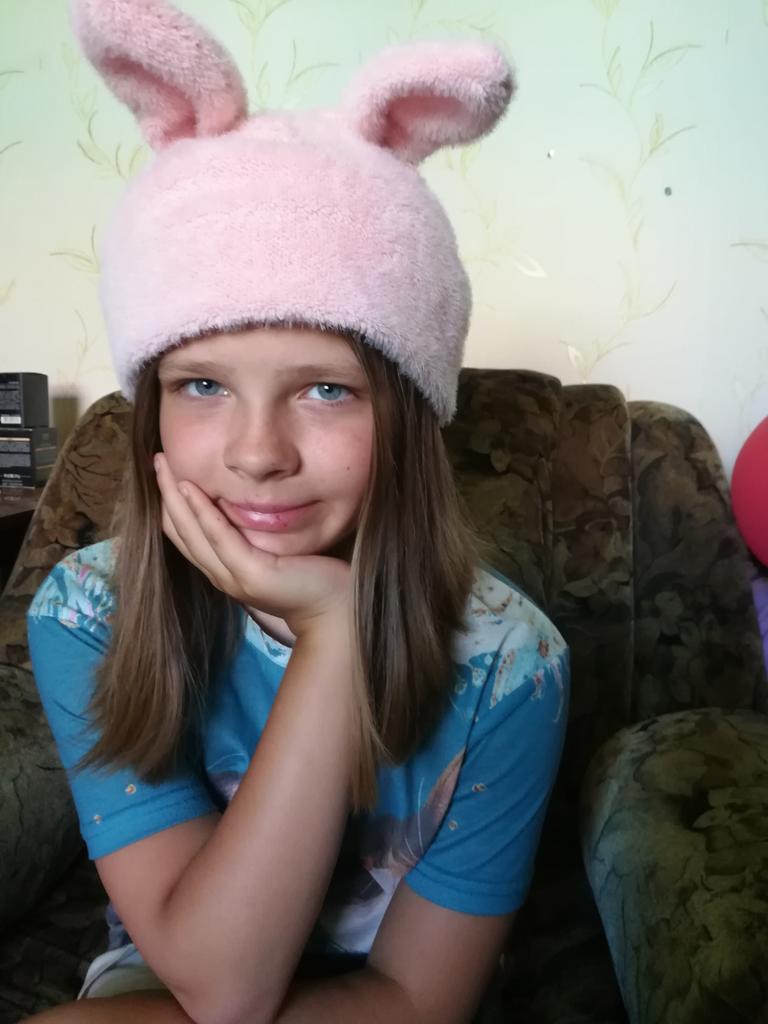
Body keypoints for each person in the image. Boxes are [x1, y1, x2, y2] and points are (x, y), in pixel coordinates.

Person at [26, 1, 570, 1022]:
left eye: (326, 389)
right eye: (201, 384)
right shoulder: (87, 613)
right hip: (174, 979)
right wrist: (328, 635)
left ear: (406, 416)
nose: (257, 452)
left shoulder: (511, 664)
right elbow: (214, 983)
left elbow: (413, 999)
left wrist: (333, 627)